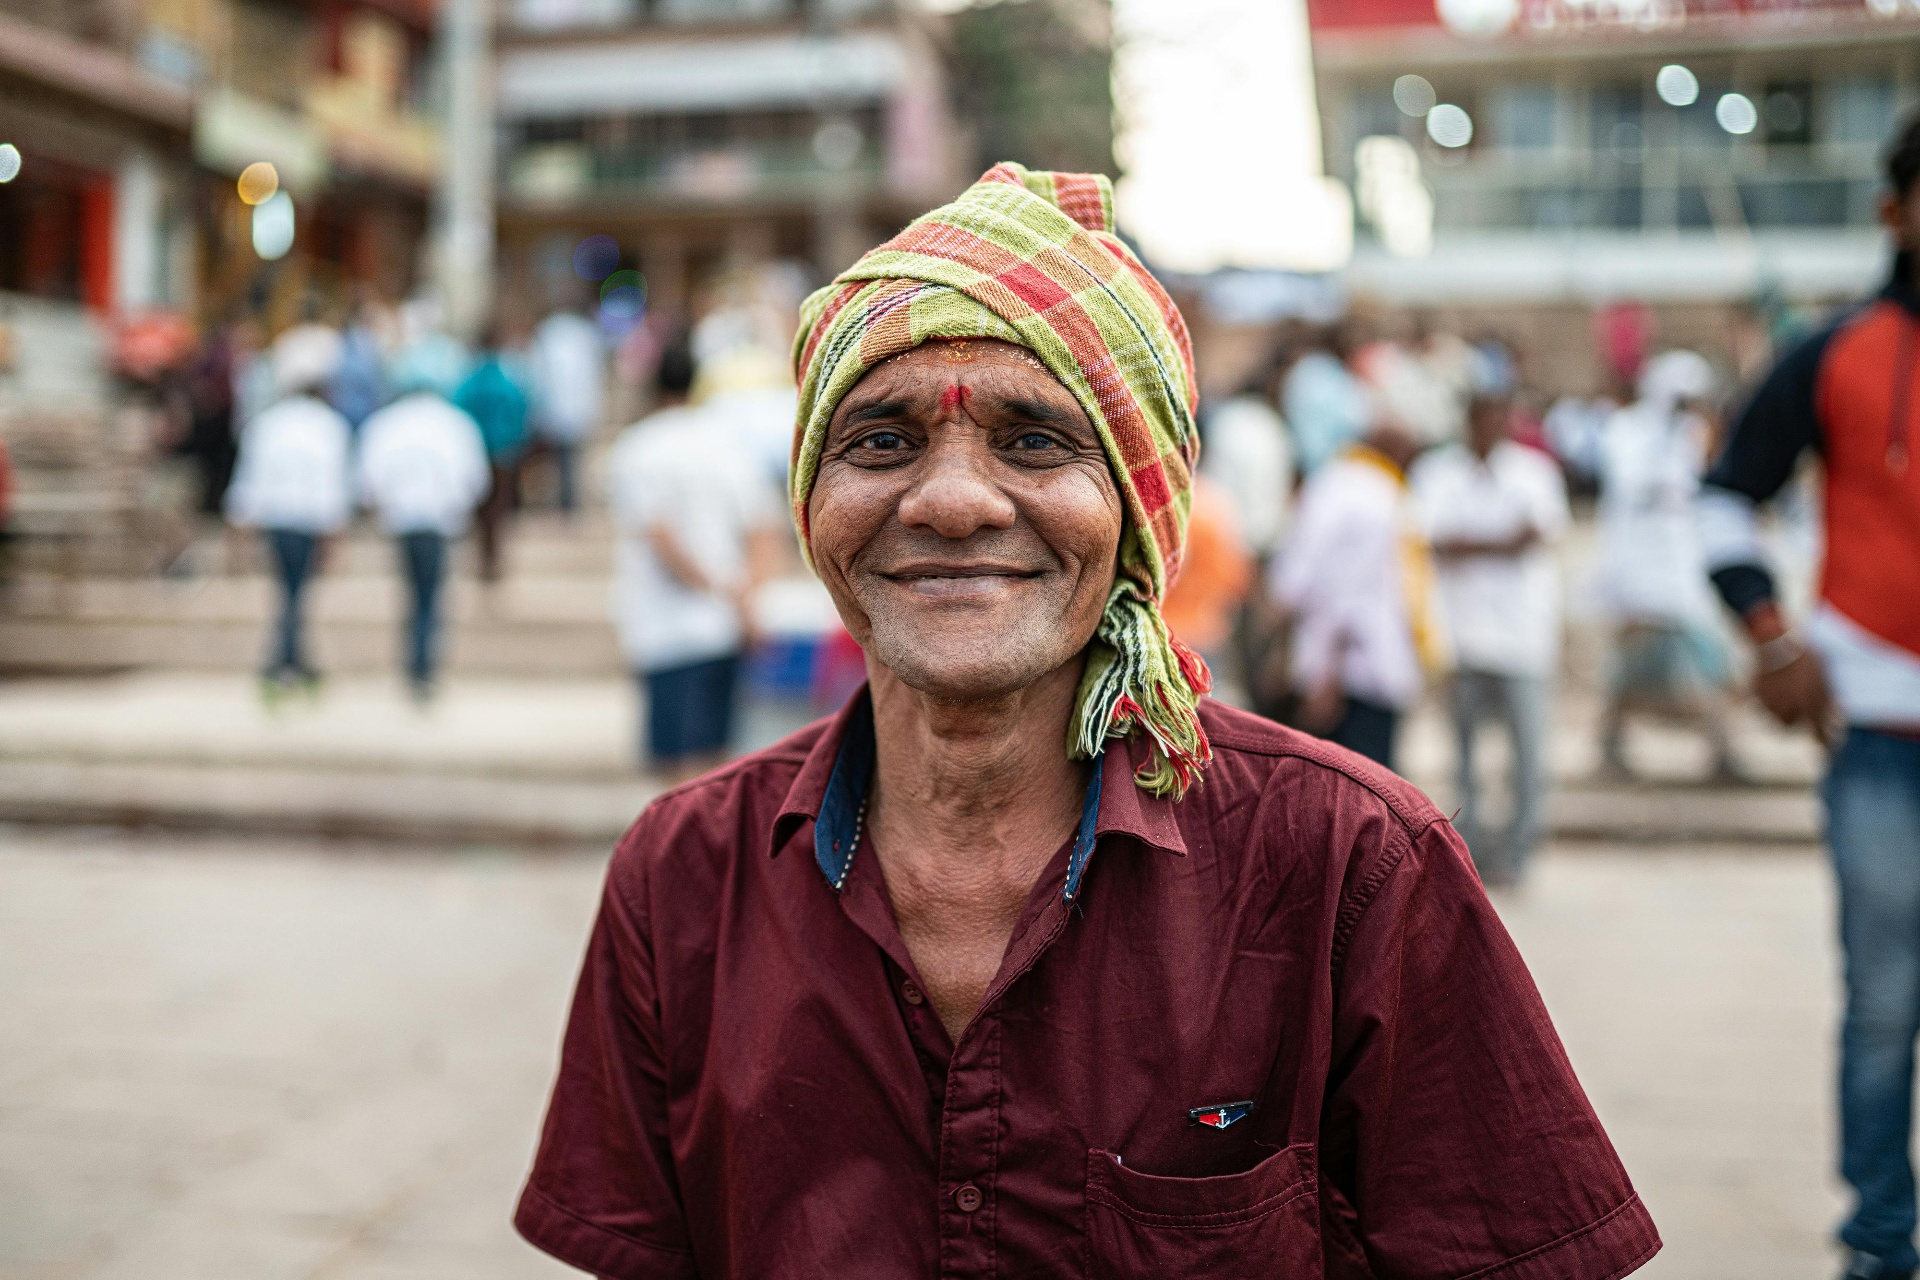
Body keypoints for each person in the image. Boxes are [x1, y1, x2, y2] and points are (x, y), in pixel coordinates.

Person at [516, 163, 1658, 1280]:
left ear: (1137, 509)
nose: (952, 500)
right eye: (880, 441)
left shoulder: (1353, 863)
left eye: (1033, 439)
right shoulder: (680, 874)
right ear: (815, 509)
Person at [1698, 113, 1920, 1280]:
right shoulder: (1837, 354)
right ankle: (1883, 1240)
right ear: (1897, 211)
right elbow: (1726, 496)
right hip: (1881, 736)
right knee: (1886, 1002)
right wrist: (1774, 638)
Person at [1413, 390, 1571, 887]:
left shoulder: (1533, 471)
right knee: (1464, 757)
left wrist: (1471, 542)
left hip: (1522, 636)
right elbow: (1432, 539)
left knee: (1527, 755)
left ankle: (1519, 854)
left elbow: (1536, 534)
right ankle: (1473, 853)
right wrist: (1502, 541)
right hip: (1462, 637)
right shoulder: (1438, 473)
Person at [606, 338, 782, 784]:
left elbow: (661, 538)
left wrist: (714, 585)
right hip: (723, 628)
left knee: (676, 775)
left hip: (665, 631)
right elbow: (764, 530)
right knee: (720, 765)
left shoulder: (637, 449)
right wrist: (744, 600)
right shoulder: (728, 445)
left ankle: (686, 856)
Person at [1593, 350, 1740, 780]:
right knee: (1626, 664)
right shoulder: (1625, 429)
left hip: (1684, 565)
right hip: (1636, 566)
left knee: (1713, 658)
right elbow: (1633, 487)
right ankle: (1610, 744)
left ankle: (1723, 749)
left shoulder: (1692, 434)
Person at [1272, 424, 1445, 771]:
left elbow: (1305, 586)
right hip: (1362, 674)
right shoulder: (1374, 493)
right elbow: (1343, 593)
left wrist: (1324, 673)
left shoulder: (1341, 488)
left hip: (1352, 672)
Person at [224, 326, 353, 704]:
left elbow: (248, 485)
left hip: (279, 521)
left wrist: (239, 536)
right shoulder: (329, 426)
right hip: (309, 522)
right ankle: (287, 662)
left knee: (290, 594)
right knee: (295, 595)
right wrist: (336, 537)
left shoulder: (269, 424)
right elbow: (334, 488)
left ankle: (290, 660)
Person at [355, 361, 490, 703]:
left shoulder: (387, 423)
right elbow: (475, 479)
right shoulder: (454, 423)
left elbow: (368, 478)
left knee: (414, 593)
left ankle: (416, 662)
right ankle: (423, 664)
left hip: (401, 519)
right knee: (430, 595)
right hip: (438, 520)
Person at [454, 319, 534, 583]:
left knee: (482, 508)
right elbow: (521, 409)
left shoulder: (470, 379)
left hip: (479, 449)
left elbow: (459, 410)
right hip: (503, 451)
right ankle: (493, 557)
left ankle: (486, 557)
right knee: (497, 508)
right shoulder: (509, 377)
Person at [527, 303, 606, 513]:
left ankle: (568, 500)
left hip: (570, 406)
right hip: (564, 406)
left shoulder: (575, 334)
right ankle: (566, 500)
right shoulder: (558, 334)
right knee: (564, 459)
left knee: (569, 459)